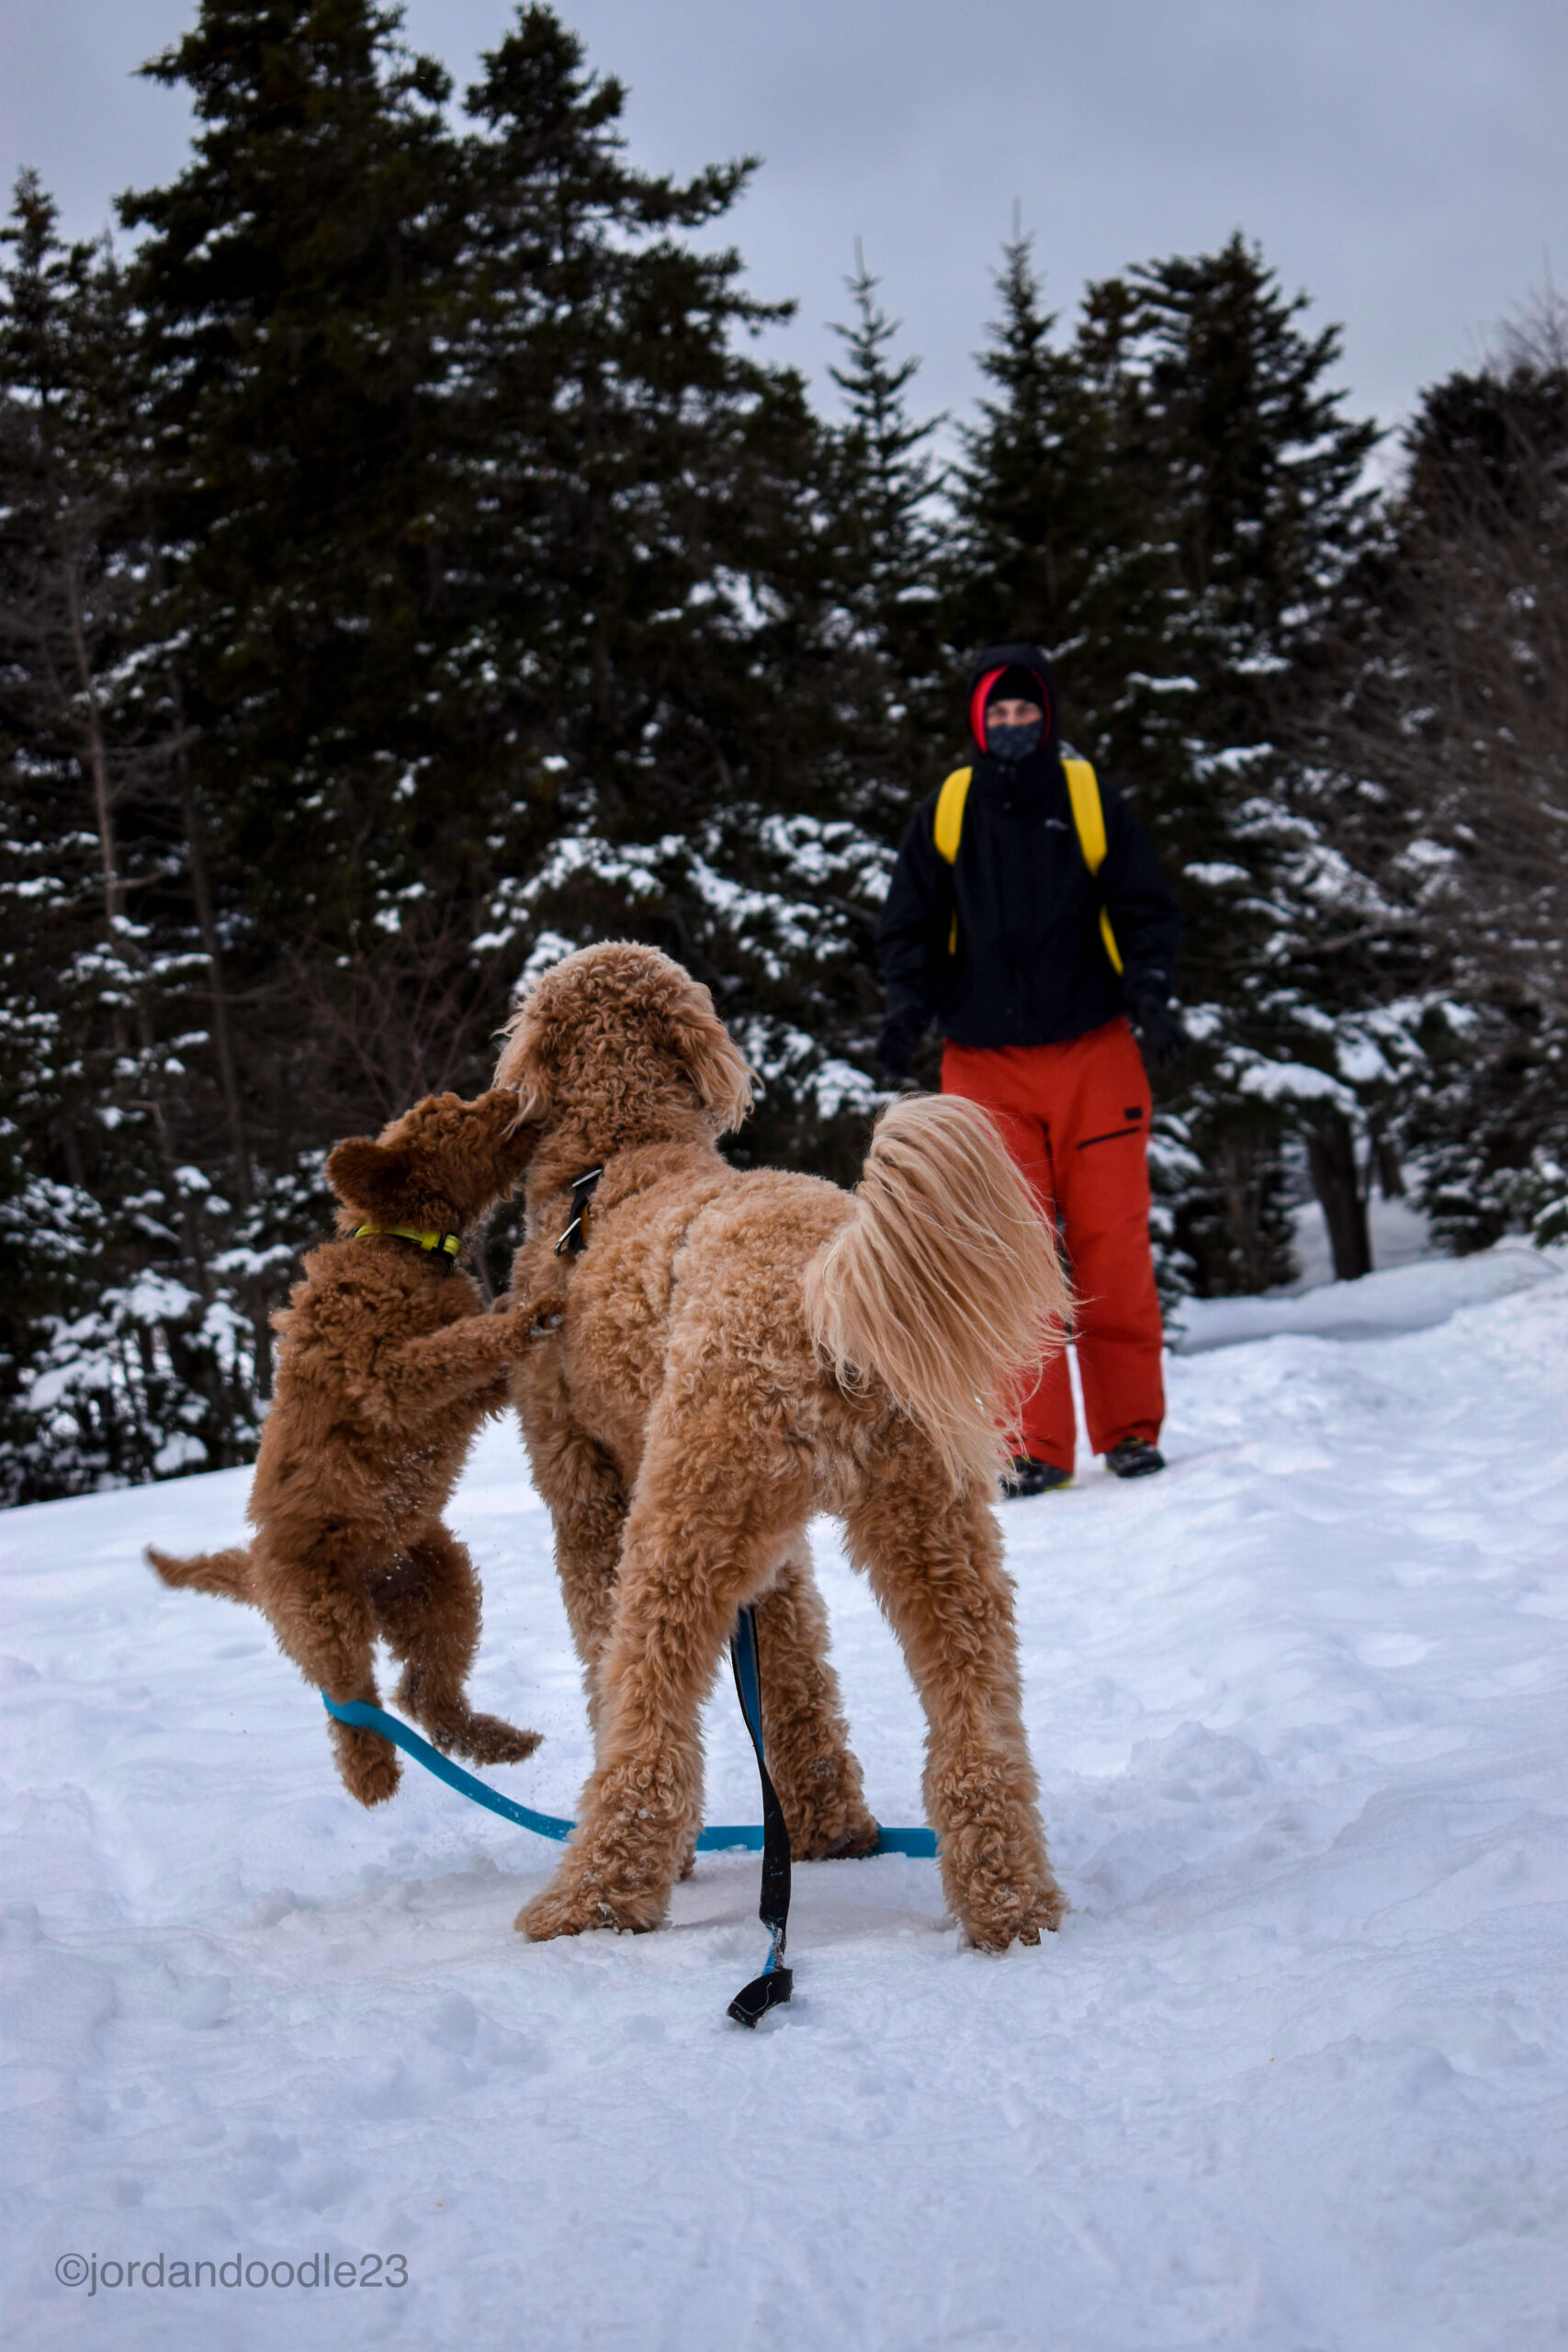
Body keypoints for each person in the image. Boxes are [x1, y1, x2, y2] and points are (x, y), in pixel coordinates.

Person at [876, 641, 1184, 1494]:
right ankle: (1031, 1447)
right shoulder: (947, 809)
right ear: (979, 722)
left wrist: (1151, 993)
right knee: (1009, 1257)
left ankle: (1129, 1432)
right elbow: (908, 923)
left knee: (1112, 1247)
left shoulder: (1089, 801)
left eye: (1026, 713)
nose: (1014, 726)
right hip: (984, 1068)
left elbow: (1145, 908)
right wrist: (906, 1004)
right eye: (998, 714)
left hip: (1094, 1055)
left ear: (1046, 717)